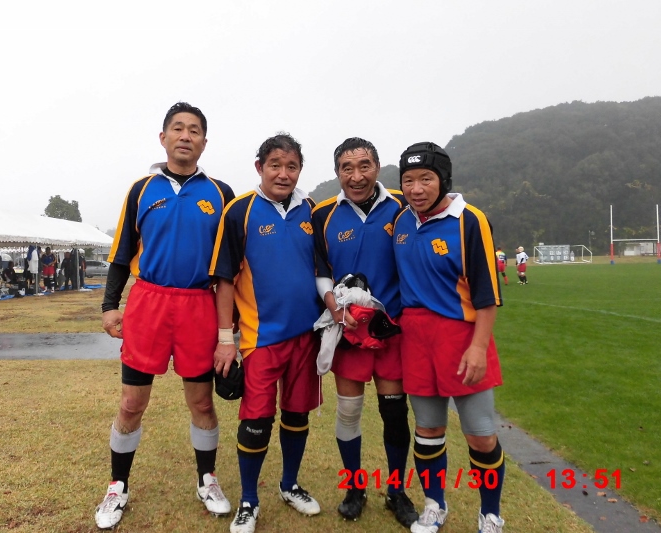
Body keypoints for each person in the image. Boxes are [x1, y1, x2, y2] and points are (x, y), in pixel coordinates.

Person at [95, 102, 235, 529]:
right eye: (178, 128)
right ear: (163, 137)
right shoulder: (142, 190)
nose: (185, 136)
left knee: (202, 402)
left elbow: (232, 266)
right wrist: (109, 306)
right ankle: (118, 486)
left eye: (194, 130)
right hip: (148, 303)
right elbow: (121, 253)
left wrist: (230, 328)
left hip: (198, 305)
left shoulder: (221, 193)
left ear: (204, 142)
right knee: (131, 402)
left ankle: (207, 479)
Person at [392, 142, 506, 533]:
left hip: (461, 336)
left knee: (481, 435)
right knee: (428, 430)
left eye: (426, 179)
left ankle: (490, 514)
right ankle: (434, 505)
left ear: (444, 180)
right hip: (415, 336)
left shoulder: (469, 220)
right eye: (408, 180)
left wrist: (478, 347)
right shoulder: (401, 220)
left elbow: (487, 293)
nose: (416, 189)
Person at [212, 133, 322, 533]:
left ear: (300, 170)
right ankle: (248, 500)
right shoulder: (239, 211)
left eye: (291, 166)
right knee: (256, 419)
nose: (283, 174)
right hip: (260, 338)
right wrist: (226, 340)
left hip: (306, 336)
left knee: (297, 414)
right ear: (260, 167)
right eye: (275, 165)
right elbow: (225, 279)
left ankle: (289, 485)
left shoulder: (313, 210)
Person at [311, 137, 417, 526]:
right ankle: (354, 487)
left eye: (364, 166)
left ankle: (396, 490)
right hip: (347, 332)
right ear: (337, 172)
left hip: (390, 331)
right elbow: (321, 271)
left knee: (394, 413)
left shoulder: (403, 207)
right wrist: (335, 308)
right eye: (347, 168)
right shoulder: (323, 214)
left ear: (378, 167)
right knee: (349, 410)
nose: (356, 176)